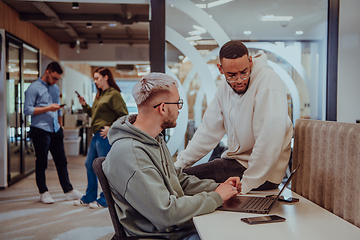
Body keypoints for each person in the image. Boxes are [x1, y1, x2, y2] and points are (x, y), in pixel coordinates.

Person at [103, 73, 241, 240]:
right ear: (163, 108)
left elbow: (179, 181)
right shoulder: (131, 154)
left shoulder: (154, 140)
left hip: (177, 228)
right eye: (177, 103)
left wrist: (219, 188)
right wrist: (216, 197)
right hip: (162, 235)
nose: (179, 109)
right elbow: (166, 213)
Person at [175, 40, 293, 195]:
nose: (239, 80)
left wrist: (246, 184)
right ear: (220, 69)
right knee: (181, 178)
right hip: (236, 163)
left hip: (263, 174)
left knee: (182, 182)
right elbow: (207, 132)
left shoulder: (268, 81)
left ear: (250, 62)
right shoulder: (225, 87)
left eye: (244, 72)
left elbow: (269, 138)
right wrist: (178, 165)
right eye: (231, 75)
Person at [24, 62, 82, 204]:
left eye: (57, 79)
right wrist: (47, 108)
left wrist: (60, 124)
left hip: (55, 129)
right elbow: (27, 110)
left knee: (61, 161)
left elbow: (58, 107)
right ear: (47, 71)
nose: (56, 81)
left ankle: (68, 191)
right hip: (40, 129)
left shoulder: (55, 88)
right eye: (54, 78)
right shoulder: (33, 88)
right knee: (42, 162)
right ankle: (43, 192)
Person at [74, 67, 128, 209]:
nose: (95, 81)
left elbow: (124, 115)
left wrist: (111, 127)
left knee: (105, 168)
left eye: (97, 78)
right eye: (94, 78)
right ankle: (89, 196)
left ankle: (105, 199)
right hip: (96, 135)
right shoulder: (100, 95)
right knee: (89, 164)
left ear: (106, 77)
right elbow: (95, 114)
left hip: (105, 136)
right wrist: (85, 106)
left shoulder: (114, 94)